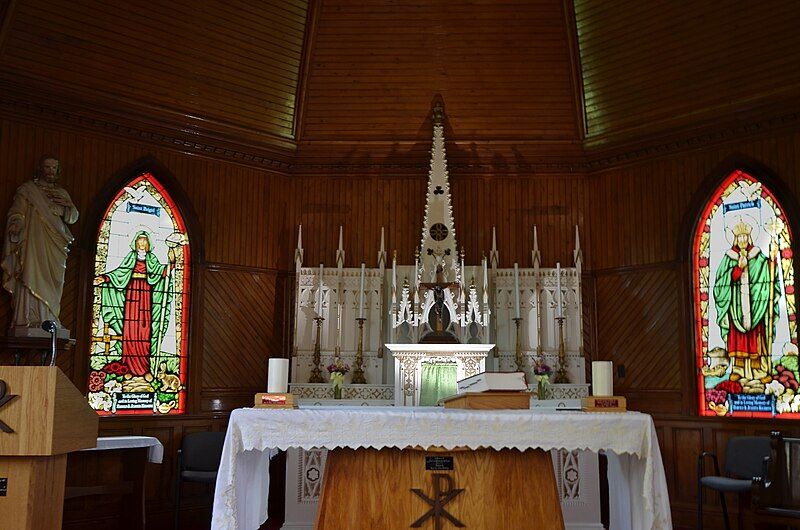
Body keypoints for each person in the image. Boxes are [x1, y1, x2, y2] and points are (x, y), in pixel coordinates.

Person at [2, 155, 79, 333]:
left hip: (55, 242)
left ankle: (50, 317)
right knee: (31, 271)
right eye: (47, 167)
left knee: (53, 279)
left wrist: (68, 207)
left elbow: (73, 217)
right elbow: (17, 211)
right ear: (40, 169)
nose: (50, 171)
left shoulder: (62, 193)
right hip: (34, 239)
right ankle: (29, 317)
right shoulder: (28, 190)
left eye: (54, 168)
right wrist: (16, 224)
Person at [94, 231, 175, 378]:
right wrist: (105, 278)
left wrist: (171, 263)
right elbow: (120, 273)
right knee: (130, 330)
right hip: (132, 295)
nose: (142, 243)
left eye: (145, 241)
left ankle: (145, 369)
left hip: (146, 296)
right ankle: (128, 368)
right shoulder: (131, 257)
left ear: (149, 243)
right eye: (140, 240)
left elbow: (161, 273)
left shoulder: (151, 258)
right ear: (135, 242)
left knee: (145, 331)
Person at [713, 220, 780, 385]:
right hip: (735, 309)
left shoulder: (757, 256)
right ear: (735, 239)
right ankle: (738, 370)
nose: (742, 239)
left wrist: (772, 259)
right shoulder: (729, 258)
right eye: (739, 236)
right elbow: (721, 284)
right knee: (738, 339)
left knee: (756, 340)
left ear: (749, 237)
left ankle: (760, 370)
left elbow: (767, 273)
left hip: (756, 307)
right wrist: (738, 269)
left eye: (745, 236)